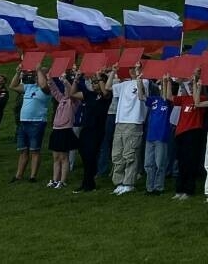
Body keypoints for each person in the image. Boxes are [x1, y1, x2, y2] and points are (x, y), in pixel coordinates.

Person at [167, 72, 208, 200]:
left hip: (193, 132)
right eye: (191, 86)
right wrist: (168, 82)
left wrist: (197, 84)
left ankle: (189, 190)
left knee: (190, 162)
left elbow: (197, 101)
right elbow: (169, 97)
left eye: (194, 86)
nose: (192, 88)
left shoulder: (202, 99)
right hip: (181, 133)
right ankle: (179, 189)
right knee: (181, 162)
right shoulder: (185, 99)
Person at [106, 61, 147, 195]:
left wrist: (138, 76)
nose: (132, 70)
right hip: (120, 121)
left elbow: (142, 96)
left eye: (135, 68)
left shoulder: (144, 82)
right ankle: (118, 182)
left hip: (134, 121)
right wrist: (113, 71)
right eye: (130, 68)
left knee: (130, 154)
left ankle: (129, 183)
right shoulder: (123, 84)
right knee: (117, 154)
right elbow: (108, 87)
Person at [41, 65, 82, 189]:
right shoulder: (62, 100)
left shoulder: (74, 102)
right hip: (56, 130)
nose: (65, 92)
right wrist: (49, 79)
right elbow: (54, 90)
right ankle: (54, 179)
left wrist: (65, 81)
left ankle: (63, 180)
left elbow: (71, 91)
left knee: (64, 157)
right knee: (56, 157)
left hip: (65, 130)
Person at [10, 63, 51, 184]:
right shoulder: (29, 87)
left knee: (34, 150)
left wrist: (39, 70)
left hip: (37, 122)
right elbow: (13, 86)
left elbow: (43, 85)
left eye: (38, 74)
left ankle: (33, 176)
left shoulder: (47, 89)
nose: (35, 76)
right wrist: (18, 73)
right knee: (23, 150)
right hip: (24, 122)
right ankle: (19, 175)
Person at [74, 70, 111, 193]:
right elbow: (72, 93)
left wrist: (100, 77)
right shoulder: (89, 95)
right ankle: (87, 183)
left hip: (97, 130)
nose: (94, 84)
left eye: (97, 82)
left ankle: (88, 184)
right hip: (86, 128)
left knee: (91, 156)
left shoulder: (107, 96)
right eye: (93, 82)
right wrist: (76, 80)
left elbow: (105, 92)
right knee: (85, 156)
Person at [144, 76, 174, 195]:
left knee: (159, 163)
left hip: (161, 136)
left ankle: (158, 187)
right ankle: (149, 187)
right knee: (148, 164)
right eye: (161, 85)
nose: (162, 87)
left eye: (163, 85)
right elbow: (141, 97)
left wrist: (167, 81)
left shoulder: (169, 102)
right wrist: (139, 81)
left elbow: (167, 96)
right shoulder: (154, 99)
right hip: (150, 136)